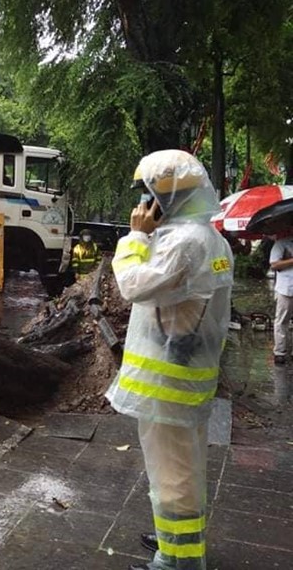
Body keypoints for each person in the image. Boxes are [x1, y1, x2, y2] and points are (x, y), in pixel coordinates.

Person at [106, 149, 233, 570]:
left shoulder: (184, 242)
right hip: (186, 373)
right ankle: (173, 541)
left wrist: (136, 236)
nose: (143, 204)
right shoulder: (210, 238)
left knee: (173, 475)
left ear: (164, 198)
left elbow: (133, 285)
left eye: (147, 195)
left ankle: (176, 560)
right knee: (180, 467)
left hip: (168, 382)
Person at [269, 229, 293, 365]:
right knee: (282, 320)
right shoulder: (281, 243)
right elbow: (275, 265)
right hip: (286, 288)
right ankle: (280, 352)